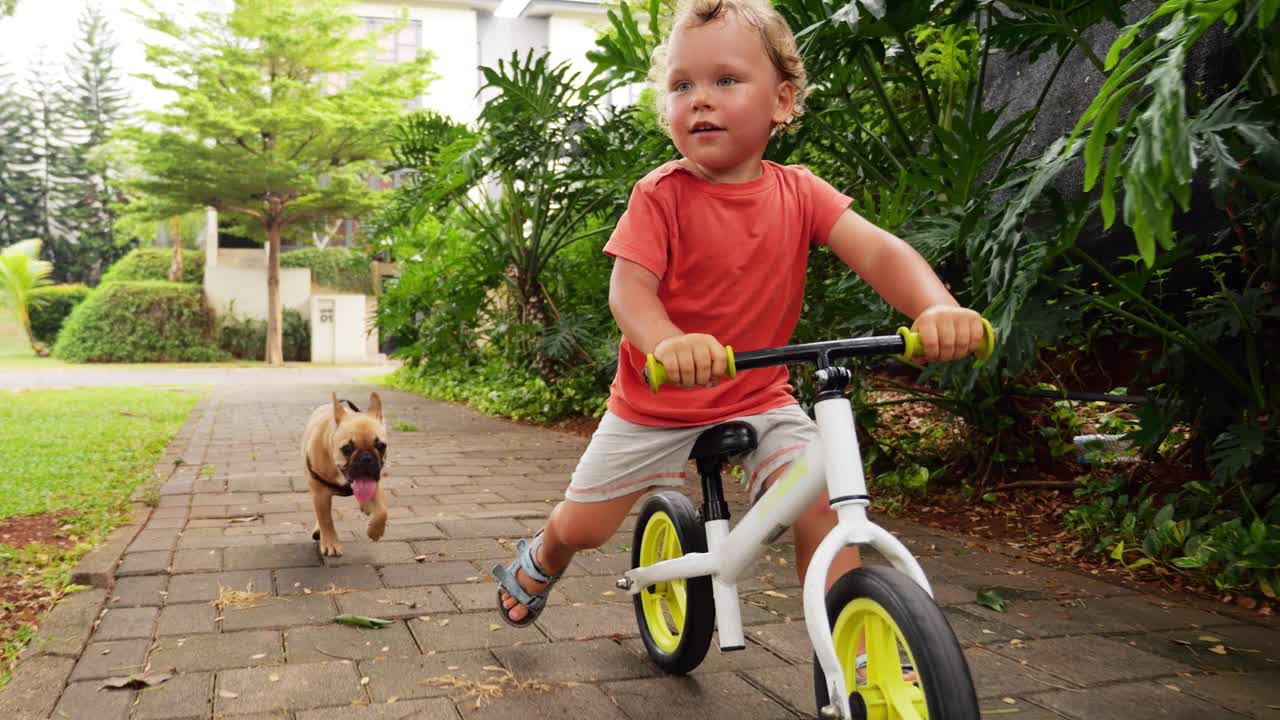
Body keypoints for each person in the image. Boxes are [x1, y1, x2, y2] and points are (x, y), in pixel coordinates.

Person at [491, 0, 985, 629]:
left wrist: (936, 307)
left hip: (758, 393)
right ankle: (547, 549)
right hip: (655, 405)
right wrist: (667, 341)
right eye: (682, 85)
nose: (700, 99)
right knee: (587, 526)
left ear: (781, 101)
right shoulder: (661, 195)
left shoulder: (800, 191)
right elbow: (630, 291)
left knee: (824, 496)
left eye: (726, 80)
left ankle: (852, 654)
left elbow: (881, 251)